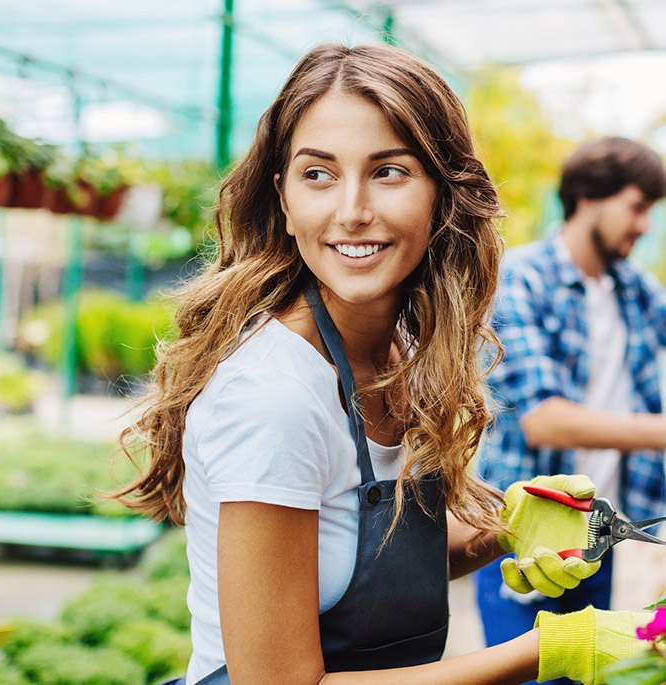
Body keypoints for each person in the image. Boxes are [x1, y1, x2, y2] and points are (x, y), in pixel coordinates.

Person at [112, 45, 653, 685]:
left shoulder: (400, 351)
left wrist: (505, 532)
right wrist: (557, 648)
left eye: (389, 171)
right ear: (283, 200)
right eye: (318, 174)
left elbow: (356, 569)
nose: (351, 210)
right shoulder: (276, 399)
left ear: (443, 194)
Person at [475, 136, 666, 684]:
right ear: (588, 197)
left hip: (596, 534)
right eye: (637, 206)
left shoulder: (629, 289)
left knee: (587, 674)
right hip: (523, 537)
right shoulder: (520, 279)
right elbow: (543, 419)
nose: (645, 225)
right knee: (525, 676)